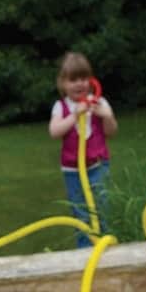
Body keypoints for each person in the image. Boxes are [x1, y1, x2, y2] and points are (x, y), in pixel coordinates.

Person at [48, 51, 118, 248]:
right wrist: (74, 115)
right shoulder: (61, 106)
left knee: (101, 207)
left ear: (91, 80)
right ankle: (85, 249)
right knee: (80, 211)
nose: (79, 84)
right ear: (63, 83)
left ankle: (105, 244)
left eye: (83, 78)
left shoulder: (99, 103)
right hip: (73, 171)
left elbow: (111, 132)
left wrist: (107, 116)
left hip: (98, 166)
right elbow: (54, 131)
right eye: (73, 79)